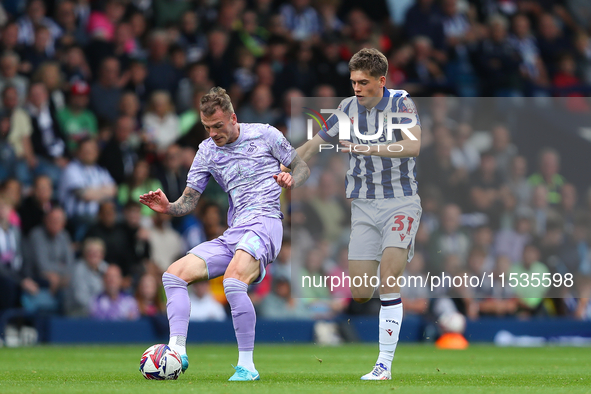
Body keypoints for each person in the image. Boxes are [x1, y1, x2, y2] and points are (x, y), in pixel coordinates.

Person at [139, 87, 309, 381]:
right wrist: (168, 207)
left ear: (233, 117)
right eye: (207, 128)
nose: (213, 133)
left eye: (218, 126)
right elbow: (189, 201)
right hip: (235, 231)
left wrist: (291, 177)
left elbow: (301, 166)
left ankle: (247, 366)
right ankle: (177, 351)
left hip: (265, 222)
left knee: (232, 282)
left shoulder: (265, 134)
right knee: (173, 275)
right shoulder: (207, 151)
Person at [289, 48, 423, 380]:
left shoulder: (401, 104)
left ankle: (384, 365)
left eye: (363, 82)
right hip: (363, 208)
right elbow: (314, 143)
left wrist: (367, 146)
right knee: (362, 291)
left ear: (381, 80)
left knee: (388, 281)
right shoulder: (347, 109)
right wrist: (284, 161)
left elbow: (413, 145)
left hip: (400, 202)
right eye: (353, 82)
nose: (357, 89)